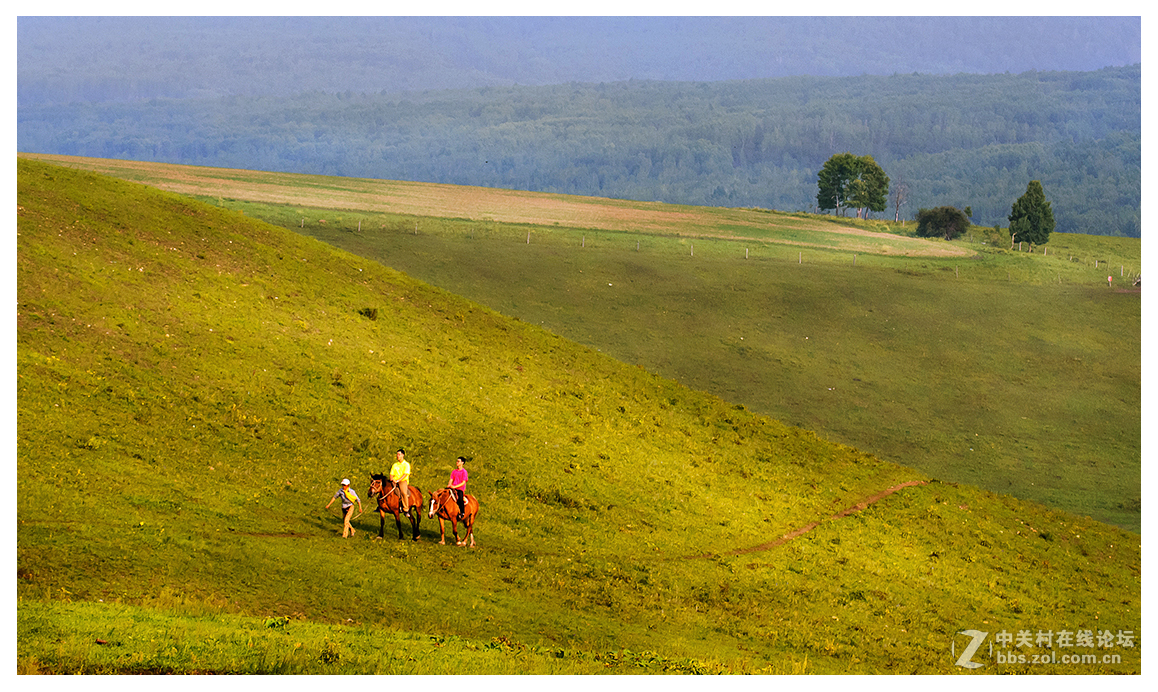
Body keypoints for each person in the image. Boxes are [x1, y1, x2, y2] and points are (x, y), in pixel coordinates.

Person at [447, 456, 469, 520]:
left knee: (460, 499)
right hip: (453, 487)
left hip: (460, 489)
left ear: (462, 463)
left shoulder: (464, 472)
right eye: (457, 461)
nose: (457, 462)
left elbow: (463, 482)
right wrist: (449, 485)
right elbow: (451, 479)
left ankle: (462, 512)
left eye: (458, 461)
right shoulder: (454, 471)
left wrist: (455, 486)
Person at [390, 449, 411, 513]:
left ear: (403, 455)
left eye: (399, 454)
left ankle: (406, 509)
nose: (397, 456)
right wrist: (392, 479)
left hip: (402, 481)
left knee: (404, 493)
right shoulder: (395, 465)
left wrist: (398, 480)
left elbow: (405, 474)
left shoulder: (406, 464)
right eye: (397, 454)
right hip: (394, 480)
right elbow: (391, 474)